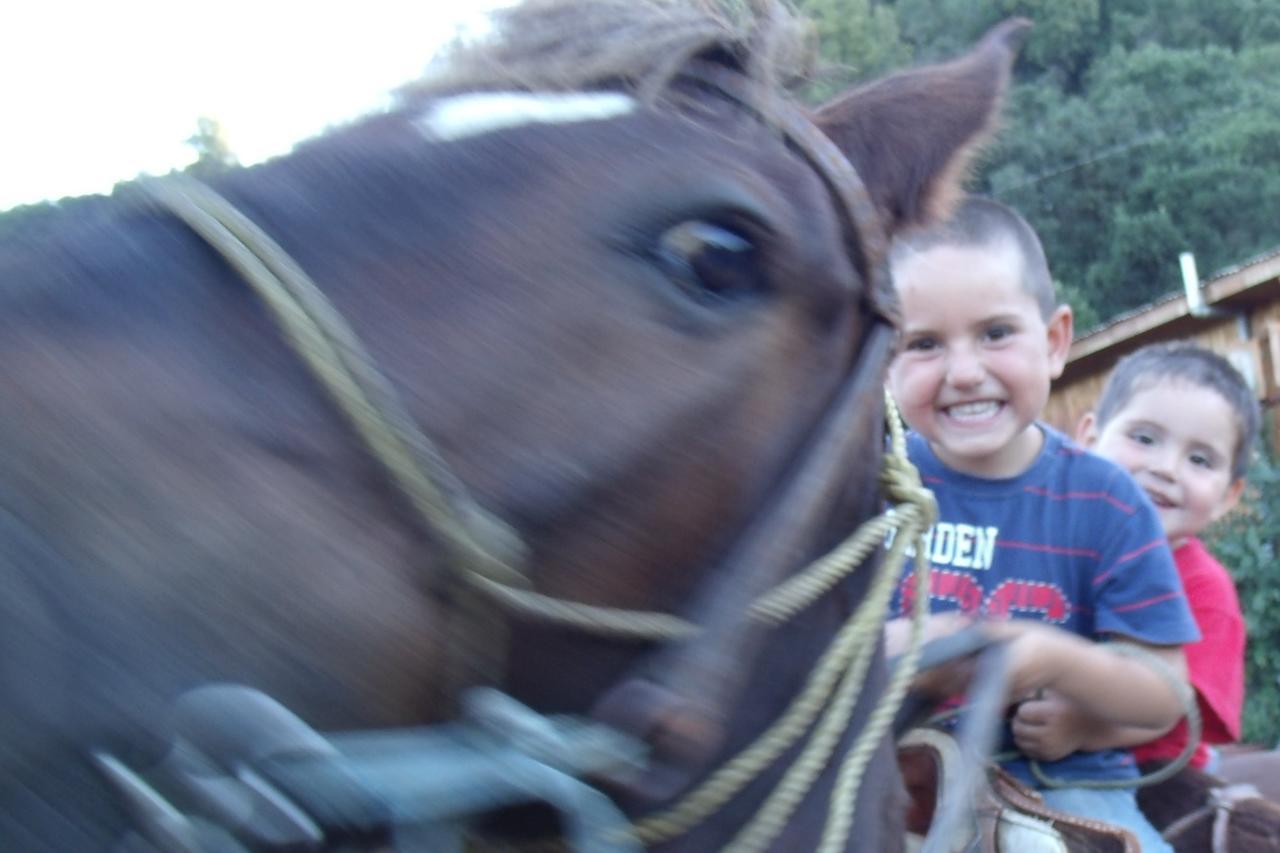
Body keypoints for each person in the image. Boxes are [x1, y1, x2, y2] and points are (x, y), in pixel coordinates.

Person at [883, 196, 1199, 852]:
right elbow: (790, 648)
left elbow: (1166, 694)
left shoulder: (1105, 499)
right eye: (924, 343)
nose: (964, 372)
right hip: (889, 781)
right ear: (885, 358)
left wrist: (1055, 661)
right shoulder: (868, 485)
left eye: (995, 332)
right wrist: (905, 649)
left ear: (1054, 342)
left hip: (1059, 784)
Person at [1012, 342, 1257, 777]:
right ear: (1089, 439)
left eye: (1199, 460)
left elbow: (1184, 706)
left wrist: (1083, 729)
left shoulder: (1205, 588)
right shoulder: (1054, 544)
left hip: (1149, 769)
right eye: (1144, 438)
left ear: (1228, 495)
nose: (1166, 468)